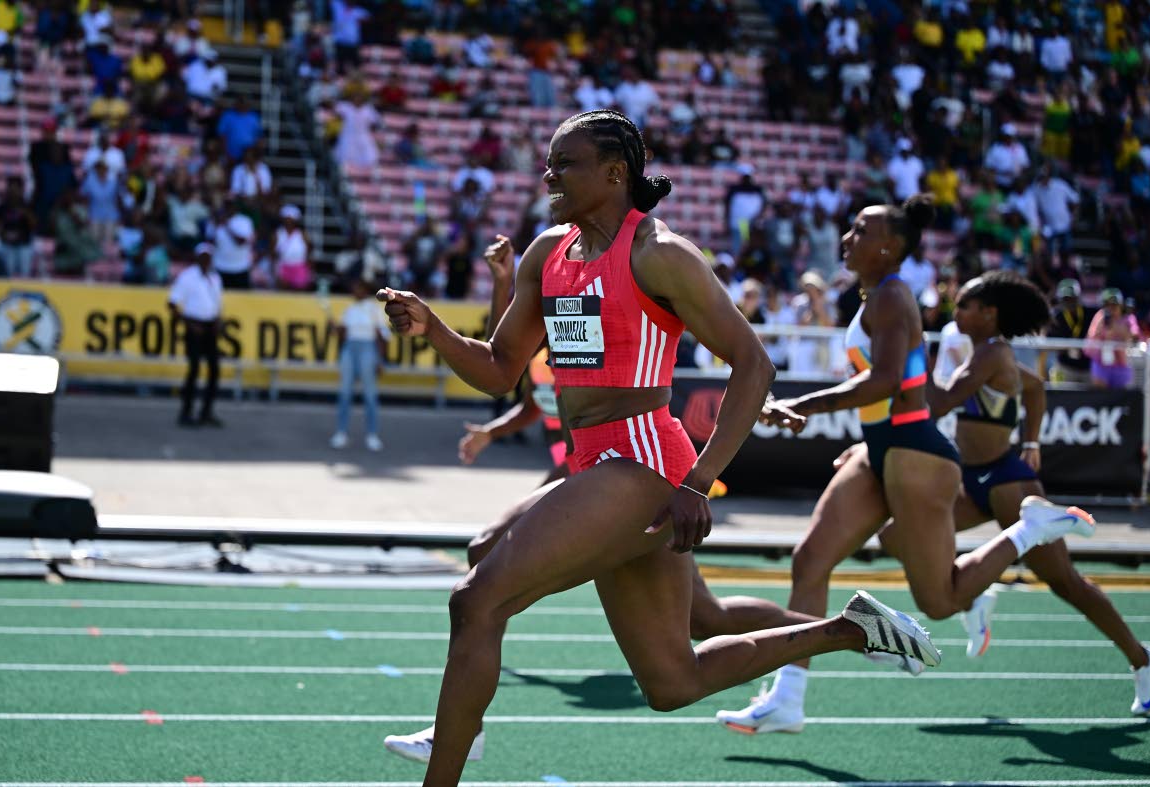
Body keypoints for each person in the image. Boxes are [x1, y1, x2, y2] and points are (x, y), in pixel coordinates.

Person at [377, 111, 941, 783]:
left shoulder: (659, 253)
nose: (549, 175)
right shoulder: (546, 253)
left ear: (616, 174)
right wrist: (433, 327)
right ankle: (849, 629)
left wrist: (698, 481)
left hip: (645, 462)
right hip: (593, 462)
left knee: (477, 598)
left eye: (567, 164)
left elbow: (754, 364)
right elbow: (501, 368)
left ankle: (445, 763)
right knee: (672, 680)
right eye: (550, 163)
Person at [715, 196, 1095, 736]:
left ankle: (1026, 531)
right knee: (809, 562)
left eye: (860, 230)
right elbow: (895, 389)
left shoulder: (892, 297)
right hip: (883, 449)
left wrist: (806, 404)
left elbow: (886, 382)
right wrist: (863, 442)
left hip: (916, 454)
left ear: (889, 247)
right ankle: (788, 699)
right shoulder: (877, 298)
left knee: (940, 601)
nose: (847, 237)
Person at [901, 272, 1150, 713]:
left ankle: (1143, 658)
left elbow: (940, 402)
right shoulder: (986, 353)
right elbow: (1035, 388)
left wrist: (911, 351)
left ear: (989, 313)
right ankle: (976, 591)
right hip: (974, 479)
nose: (955, 312)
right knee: (899, 534)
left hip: (1007, 483)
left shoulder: (992, 352)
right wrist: (1033, 441)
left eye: (963, 305)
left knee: (1065, 584)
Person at [330, 276, 390, 451]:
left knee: (370, 395)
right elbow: (342, 335)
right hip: (349, 349)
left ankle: (372, 435)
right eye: (354, 288)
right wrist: (335, 329)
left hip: (368, 349)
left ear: (365, 290)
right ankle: (341, 433)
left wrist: (380, 360)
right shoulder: (349, 309)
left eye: (358, 288)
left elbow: (382, 335)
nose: (355, 291)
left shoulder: (374, 309)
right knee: (344, 393)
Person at [168, 243, 224, 428]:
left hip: (209, 327)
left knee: (214, 371)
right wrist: (189, 324)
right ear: (197, 257)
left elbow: (216, 304)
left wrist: (217, 321)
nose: (206, 260)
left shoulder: (215, 278)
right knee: (193, 371)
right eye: (203, 256)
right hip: (194, 327)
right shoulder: (187, 277)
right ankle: (186, 412)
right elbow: (172, 304)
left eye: (209, 257)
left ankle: (206, 412)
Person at [1085, 287, 1142, 389]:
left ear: (1121, 305)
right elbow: (1089, 344)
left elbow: (1136, 337)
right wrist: (1101, 329)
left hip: (1122, 366)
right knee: (1100, 396)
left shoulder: (1128, 318)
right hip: (1101, 366)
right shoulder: (1100, 317)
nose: (1111, 308)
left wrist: (1120, 330)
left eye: (1114, 304)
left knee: (1122, 397)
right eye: (1108, 305)